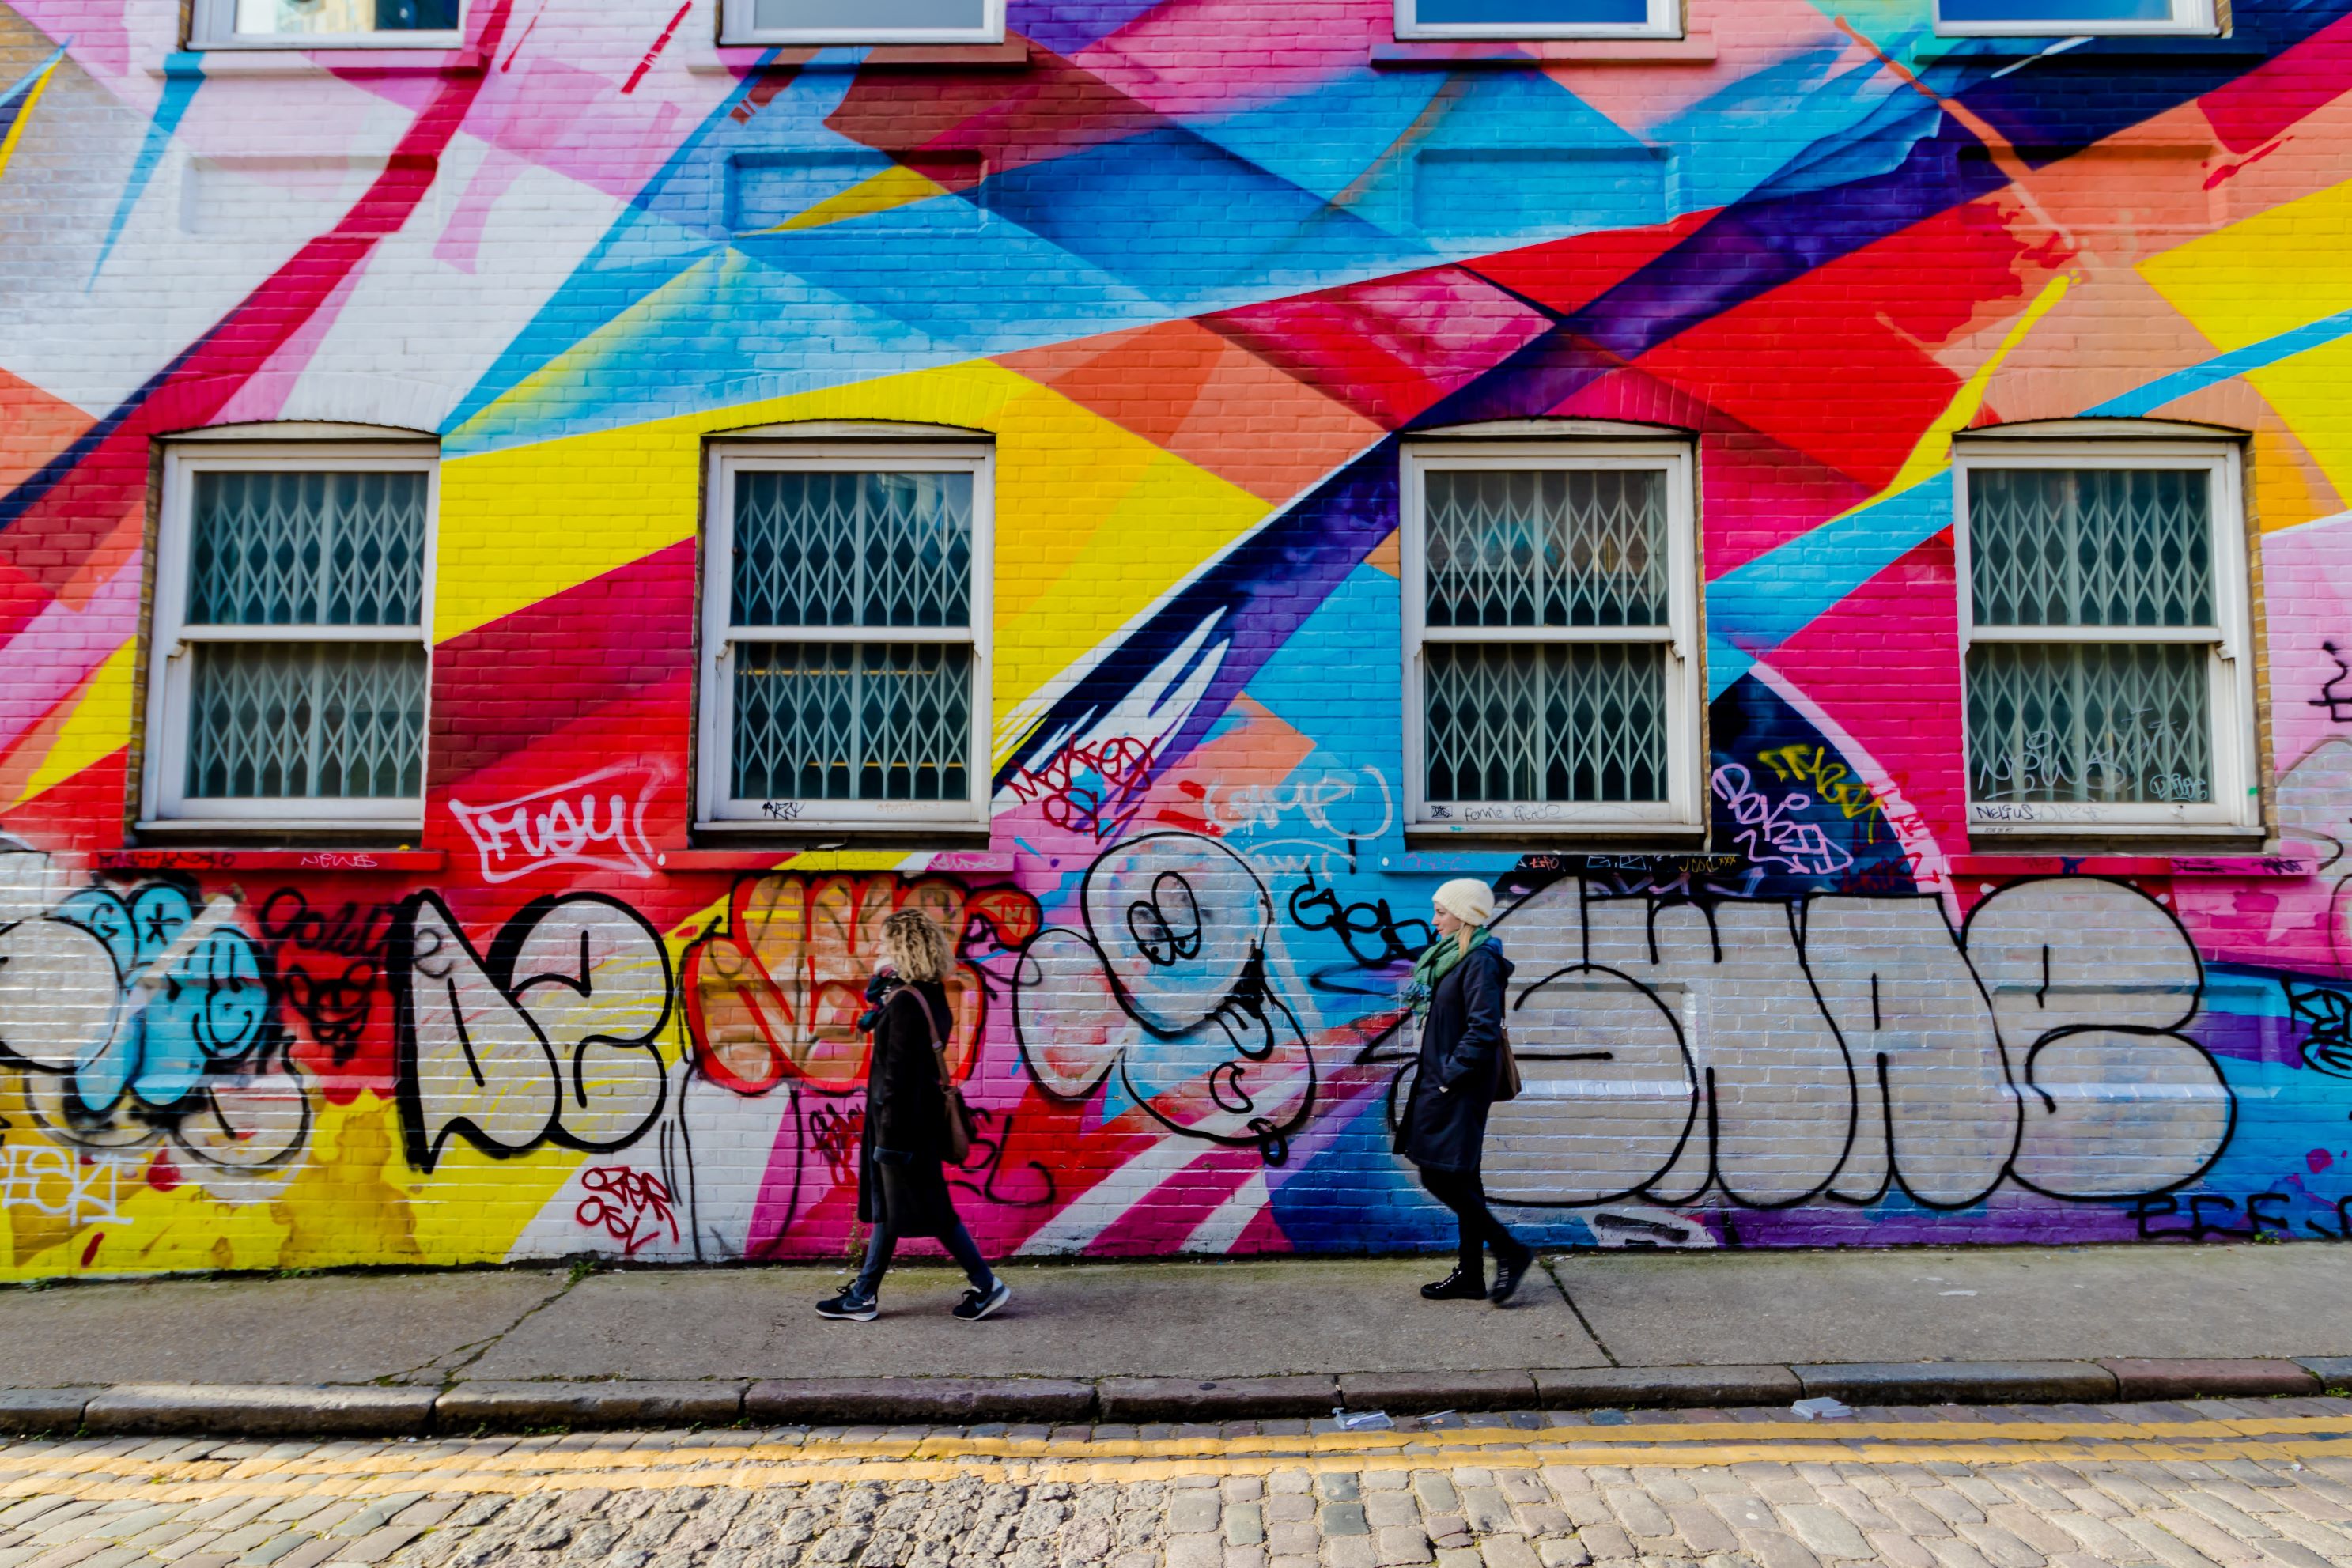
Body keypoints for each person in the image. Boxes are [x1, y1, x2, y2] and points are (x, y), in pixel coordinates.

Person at [816, 909, 1010, 1323]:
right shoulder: (929, 994)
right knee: (891, 1209)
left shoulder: (906, 1002)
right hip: (914, 1123)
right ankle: (864, 1295)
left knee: (934, 1212)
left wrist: (888, 1143)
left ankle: (987, 1285)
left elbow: (898, 1082)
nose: (879, 949)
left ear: (902, 948)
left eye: (886, 942)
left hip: (902, 1129)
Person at [1397, 878, 1535, 1305]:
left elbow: (1483, 1029)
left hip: (1456, 1085)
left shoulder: (1479, 962)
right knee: (1462, 1177)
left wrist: (1448, 1076)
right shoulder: (1452, 959)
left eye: (1442, 911)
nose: (1434, 919)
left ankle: (1510, 1250)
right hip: (1444, 1079)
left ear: (1465, 915)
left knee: (1436, 1173)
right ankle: (1471, 1275)